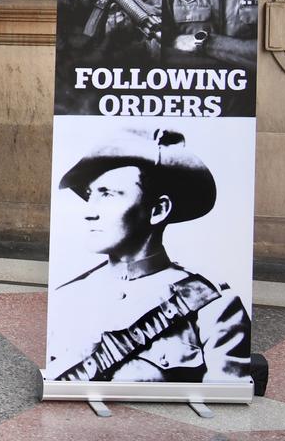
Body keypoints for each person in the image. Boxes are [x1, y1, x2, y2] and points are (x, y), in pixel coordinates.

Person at [45, 128, 251, 383]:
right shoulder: (67, 298)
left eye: (107, 194)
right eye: (90, 195)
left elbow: (225, 407)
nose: (89, 212)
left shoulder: (212, 306)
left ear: (158, 210)